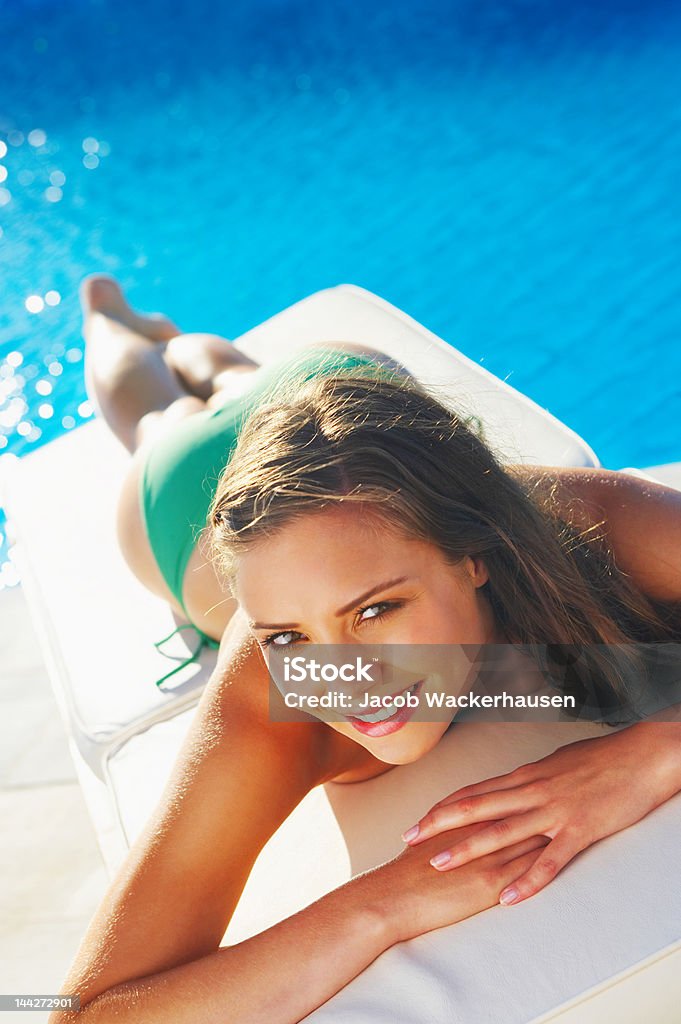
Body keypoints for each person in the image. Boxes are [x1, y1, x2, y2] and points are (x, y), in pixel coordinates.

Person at [52, 275, 681, 1024]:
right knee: (157, 417)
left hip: (339, 393)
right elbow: (88, 1015)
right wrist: (378, 905)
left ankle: (198, 351)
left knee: (230, 375)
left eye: (376, 609)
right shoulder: (267, 692)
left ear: (473, 554)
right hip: (180, 492)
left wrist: (654, 751)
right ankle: (110, 318)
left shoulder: (586, 523)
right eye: (290, 635)